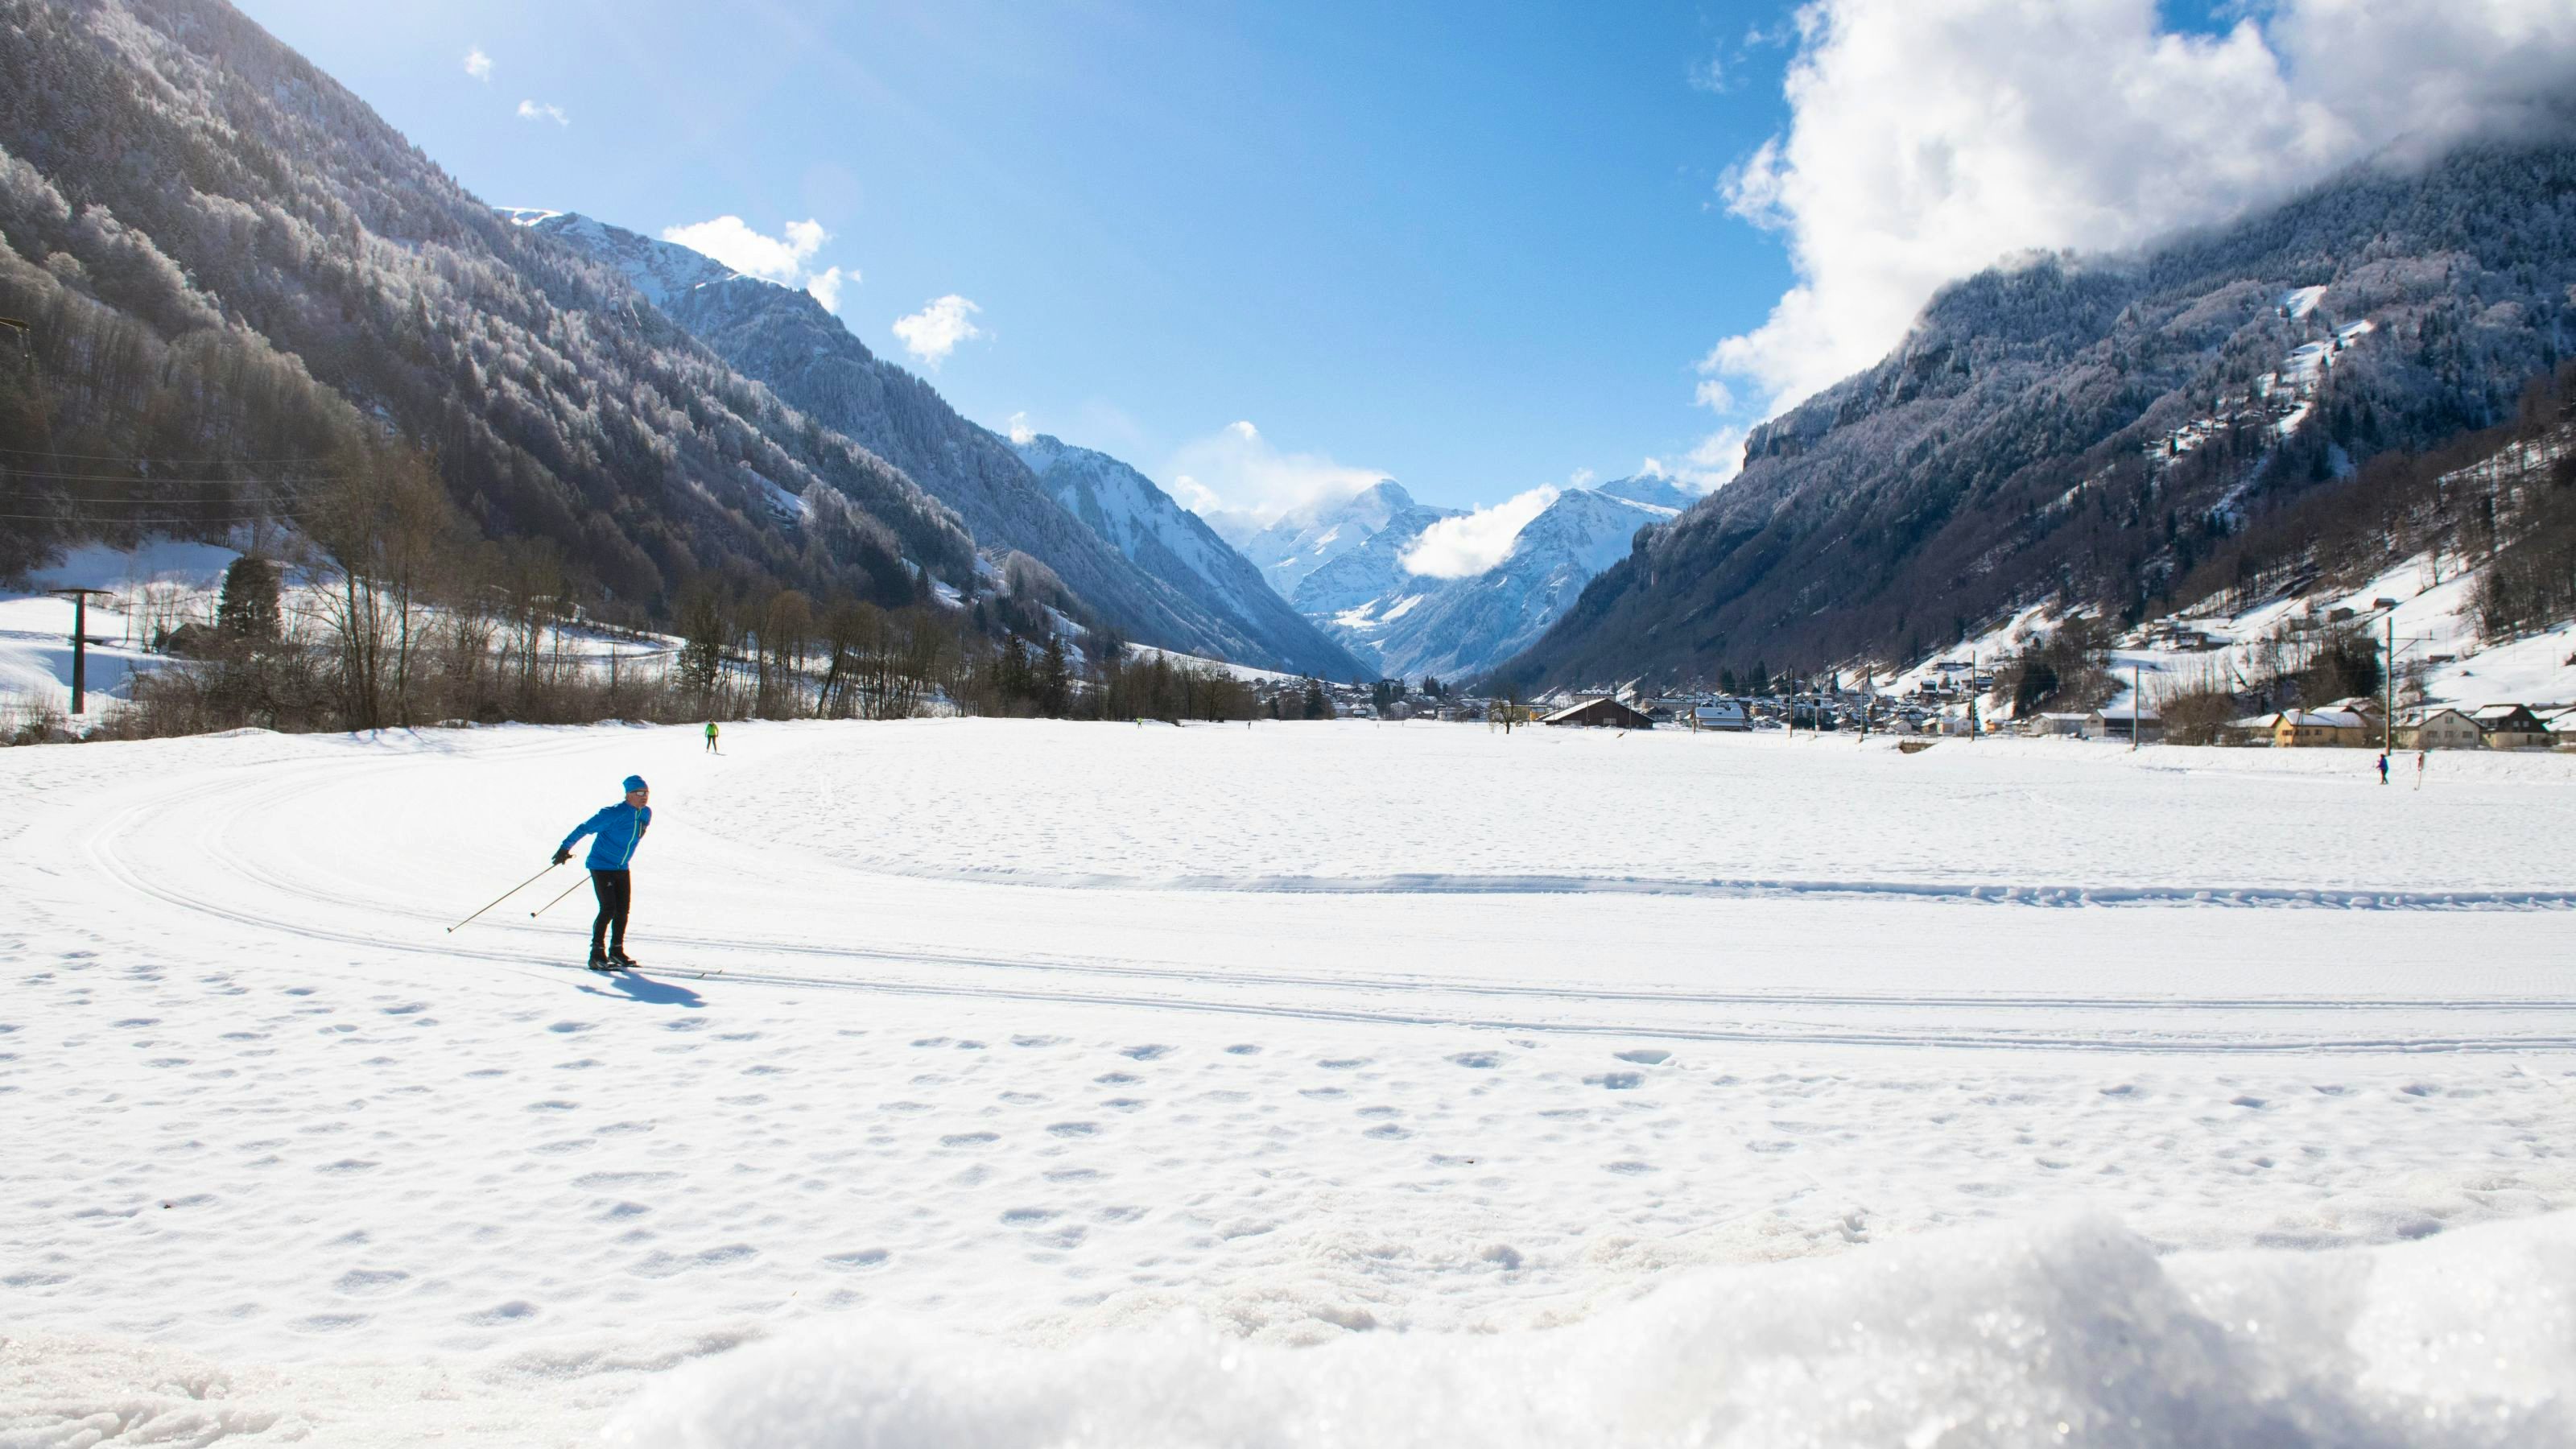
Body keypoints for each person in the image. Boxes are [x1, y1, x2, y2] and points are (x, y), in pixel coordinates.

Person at [554, 774, 651, 971]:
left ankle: (617, 951)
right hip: (601, 865)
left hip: (621, 867)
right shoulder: (613, 813)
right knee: (608, 908)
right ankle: (596, 955)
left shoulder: (646, 814)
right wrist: (565, 848)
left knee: (623, 910)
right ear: (628, 795)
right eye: (639, 793)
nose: (644, 797)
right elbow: (585, 828)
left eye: (646, 793)